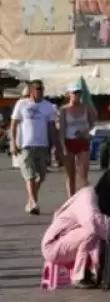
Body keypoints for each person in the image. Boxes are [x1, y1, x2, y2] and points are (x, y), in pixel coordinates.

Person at [41, 169, 110, 288]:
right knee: (93, 231)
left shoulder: (105, 200)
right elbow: (94, 222)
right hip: (54, 246)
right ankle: (80, 276)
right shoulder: (87, 197)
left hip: (72, 241)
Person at [11, 80, 59, 215]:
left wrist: (55, 145)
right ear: (31, 90)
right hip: (25, 144)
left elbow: (51, 128)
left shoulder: (48, 106)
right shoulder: (22, 104)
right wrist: (14, 143)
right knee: (29, 175)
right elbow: (14, 124)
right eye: (38, 89)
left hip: (42, 145)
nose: (40, 91)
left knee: (41, 176)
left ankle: (31, 200)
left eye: (42, 89)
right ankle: (33, 202)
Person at [59, 84, 96, 197]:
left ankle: (85, 198)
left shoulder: (86, 108)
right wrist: (63, 146)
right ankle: (71, 199)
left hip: (83, 142)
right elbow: (62, 129)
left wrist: (86, 133)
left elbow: (93, 125)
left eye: (79, 93)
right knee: (70, 175)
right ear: (69, 94)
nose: (77, 95)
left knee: (83, 174)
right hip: (69, 141)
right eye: (74, 93)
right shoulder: (64, 109)